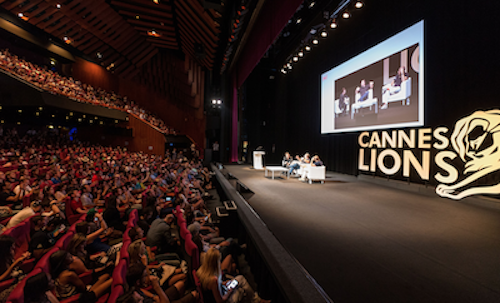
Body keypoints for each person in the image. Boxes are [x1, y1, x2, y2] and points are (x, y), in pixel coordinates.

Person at [122, 263, 197, 303]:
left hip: (158, 298)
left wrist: (153, 296)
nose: (148, 277)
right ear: (138, 282)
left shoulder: (133, 289)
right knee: (195, 294)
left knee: (180, 284)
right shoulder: (134, 299)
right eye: (145, 276)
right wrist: (156, 286)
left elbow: (141, 290)